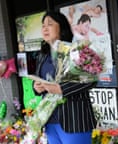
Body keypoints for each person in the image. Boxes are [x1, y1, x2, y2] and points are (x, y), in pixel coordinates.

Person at [33, 11, 97, 144]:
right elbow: (40, 80)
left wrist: (60, 88)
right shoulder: (42, 55)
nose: (45, 28)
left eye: (50, 24)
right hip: (50, 119)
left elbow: (90, 78)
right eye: (43, 25)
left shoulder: (76, 49)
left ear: (61, 27)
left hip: (74, 119)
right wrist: (37, 87)